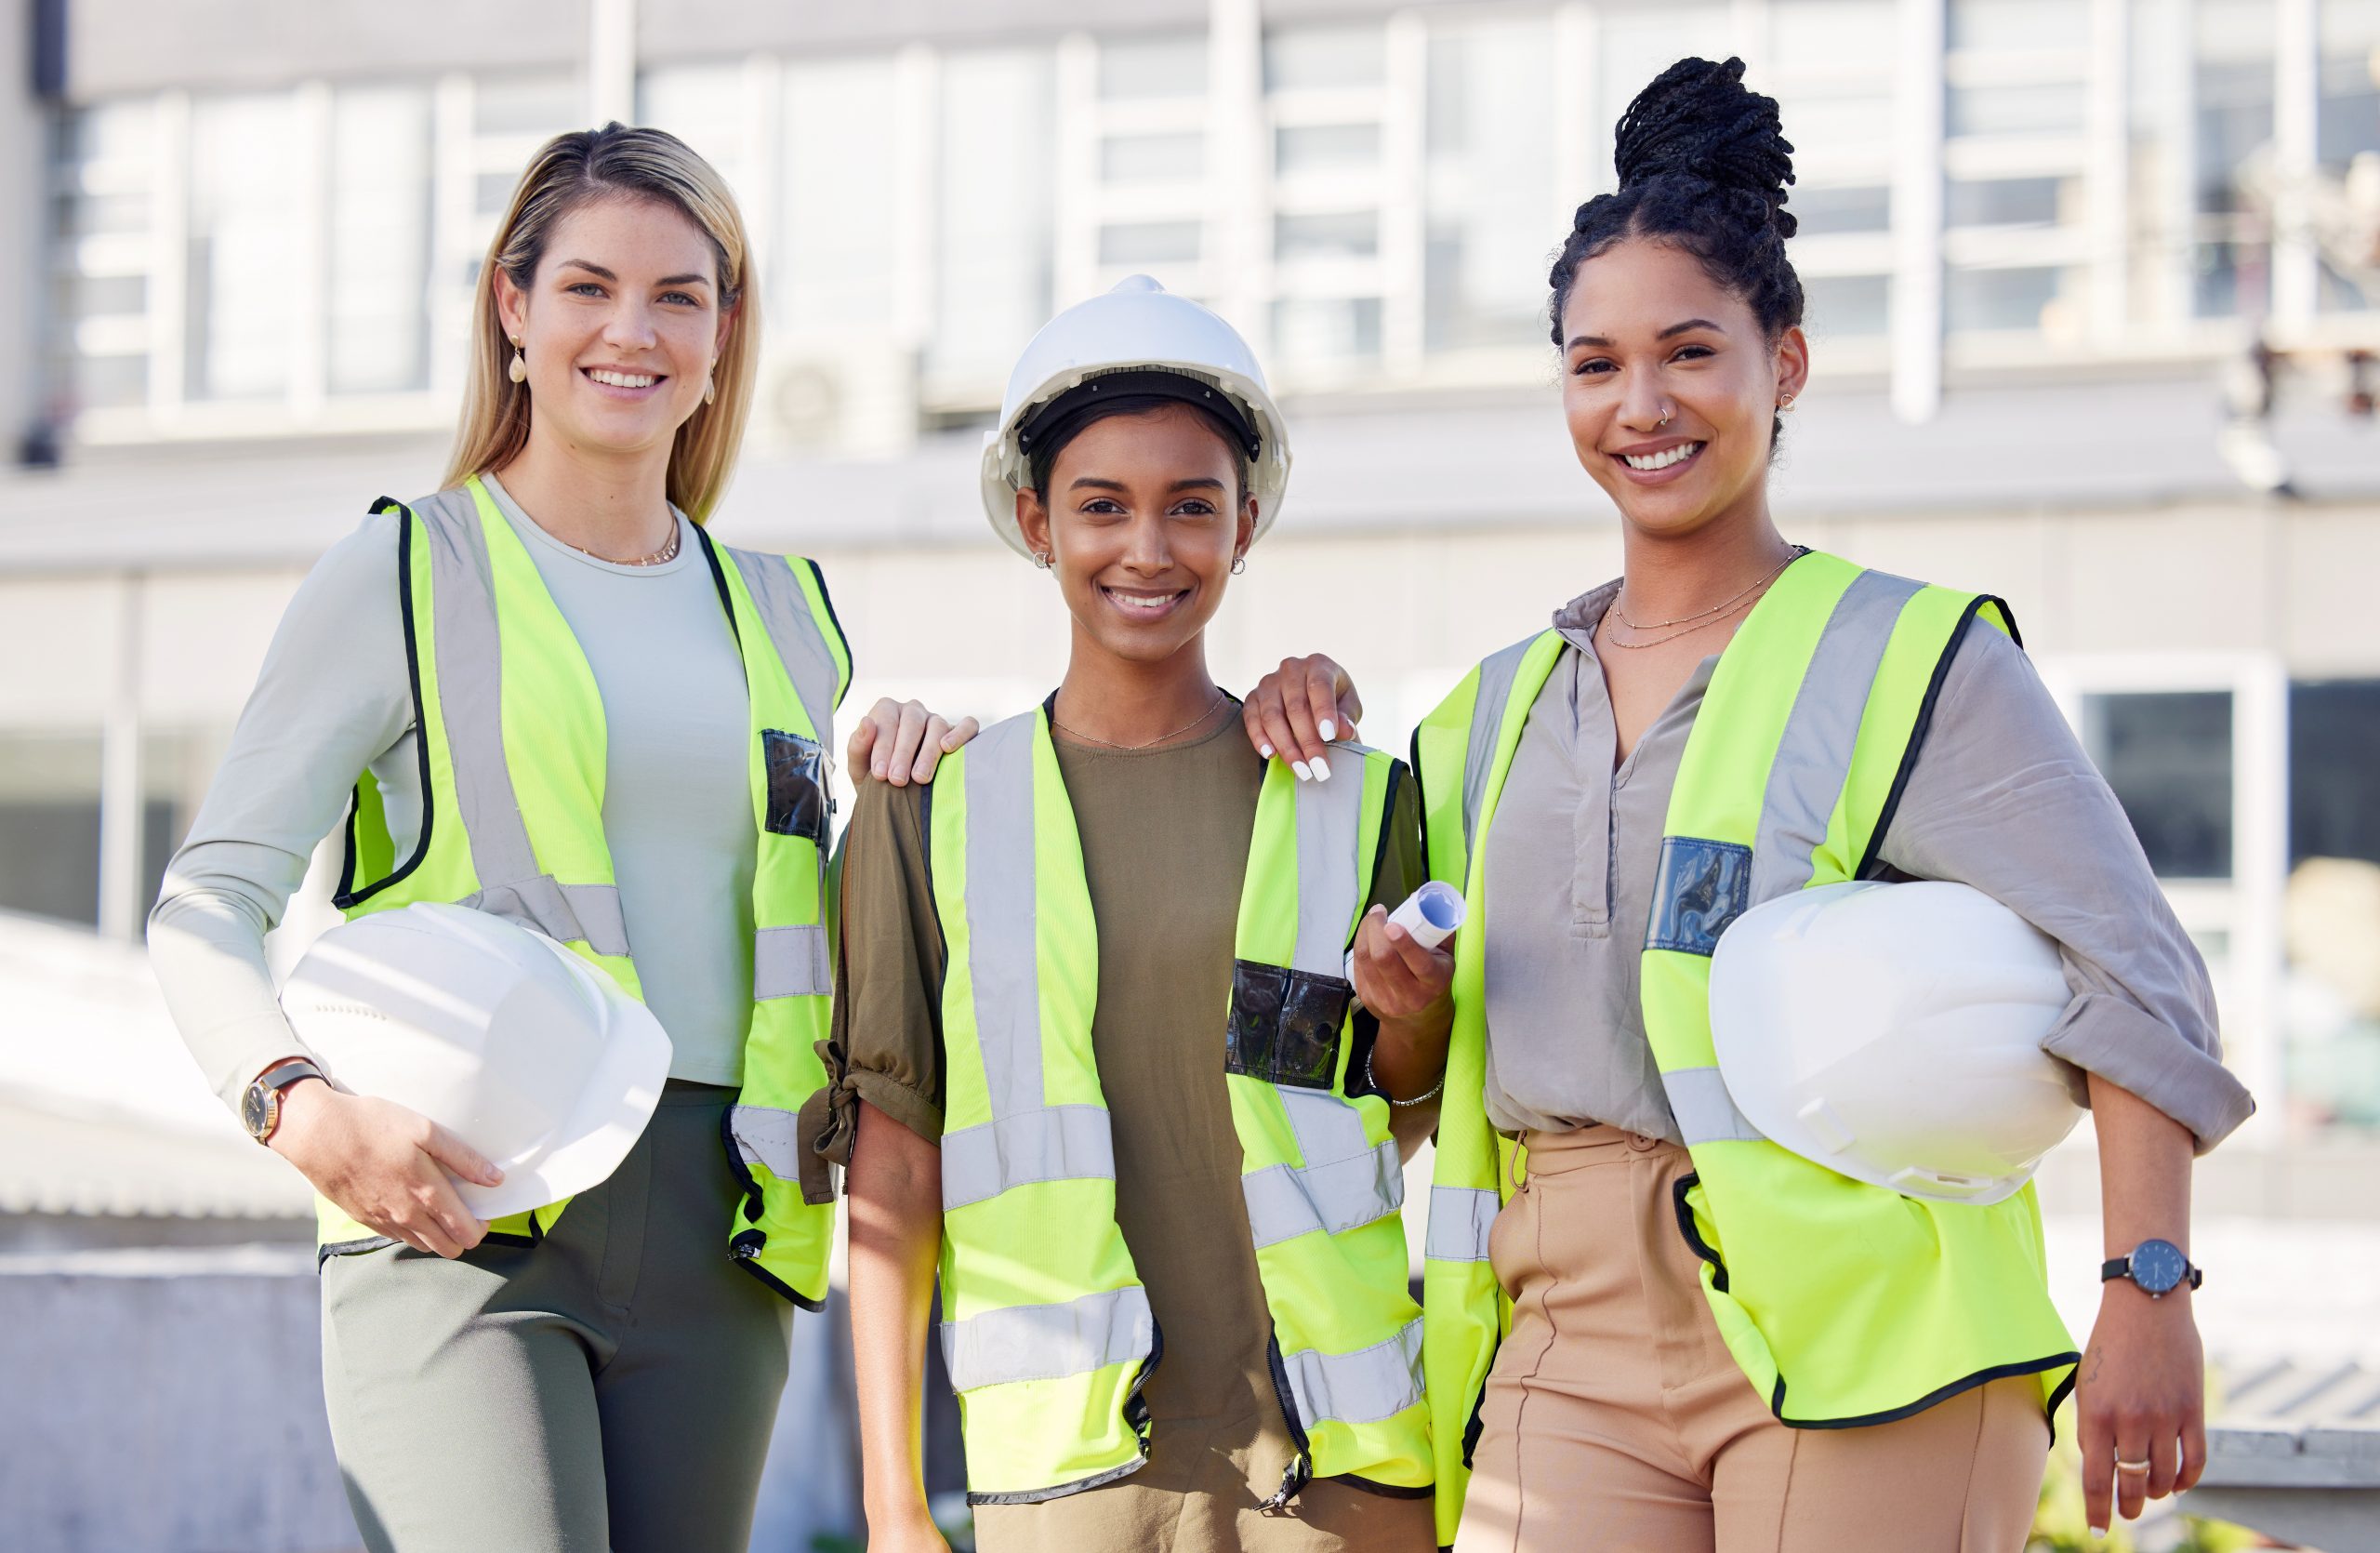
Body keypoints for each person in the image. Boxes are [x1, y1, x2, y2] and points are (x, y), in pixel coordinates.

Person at [1247, 58, 2254, 1553]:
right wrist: (1398, 986)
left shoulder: (1911, 658)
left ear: (1785, 364)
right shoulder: (1489, 711)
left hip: (1870, 1339)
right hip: (1565, 1332)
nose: (1640, 407)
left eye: (1689, 353)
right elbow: (1416, 1079)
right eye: (1594, 365)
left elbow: (2138, 970)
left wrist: (2147, 1284)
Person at [148, 124, 974, 1553]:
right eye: (589, 286)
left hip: (726, 1227)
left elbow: (807, 930)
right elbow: (207, 899)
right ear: (512, 311)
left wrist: (922, 790)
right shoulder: (403, 573)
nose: (632, 331)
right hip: (465, 1221)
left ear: (724, 336)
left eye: (680, 296)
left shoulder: (791, 615)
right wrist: (300, 1108)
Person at [823, 277, 1439, 1553]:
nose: (1147, 549)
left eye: (1191, 506)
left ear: (1247, 523)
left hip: (1341, 1457)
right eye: (1102, 506)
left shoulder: (1352, 797)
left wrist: (1415, 1023)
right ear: (1037, 521)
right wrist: (892, 1503)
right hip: (1071, 1475)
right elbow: (896, 1160)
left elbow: (1403, 1105)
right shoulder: (926, 810)